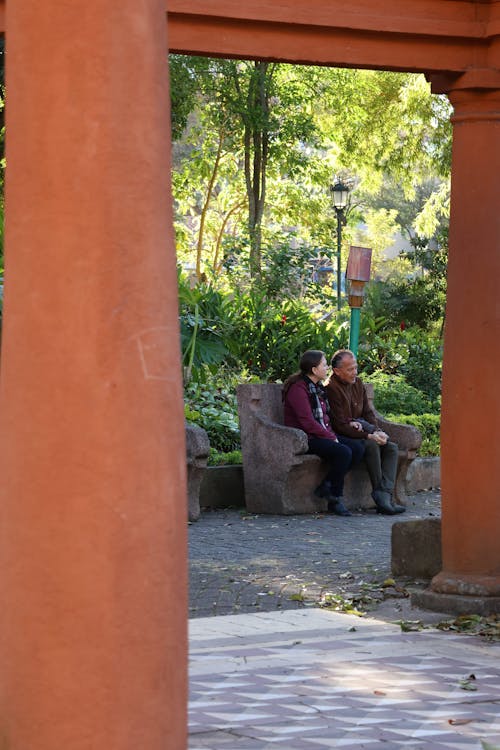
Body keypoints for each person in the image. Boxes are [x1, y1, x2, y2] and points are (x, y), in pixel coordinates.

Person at [283, 349, 365, 517]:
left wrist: (349, 423)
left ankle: (327, 485)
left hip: (322, 433)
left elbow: (328, 416)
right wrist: (331, 437)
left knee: (358, 448)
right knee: (343, 452)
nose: (327, 367)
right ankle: (335, 498)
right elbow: (307, 422)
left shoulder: (317, 387)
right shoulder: (299, 389)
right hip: (306, 438)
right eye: (324, 364)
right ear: (314, 370)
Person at [325, 349, 405, 515]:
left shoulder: (358, 383)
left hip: (362, 431)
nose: (355, 372)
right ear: (337, 371)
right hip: (344, 435)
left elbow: (368, 413)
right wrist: (369, 435)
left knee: (392, 448)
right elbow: (339, 425)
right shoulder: (331, 388)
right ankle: (381, 497)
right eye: (350, 369)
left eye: (355, 368)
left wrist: (377, 430)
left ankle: (384, 493)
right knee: (371, 445)